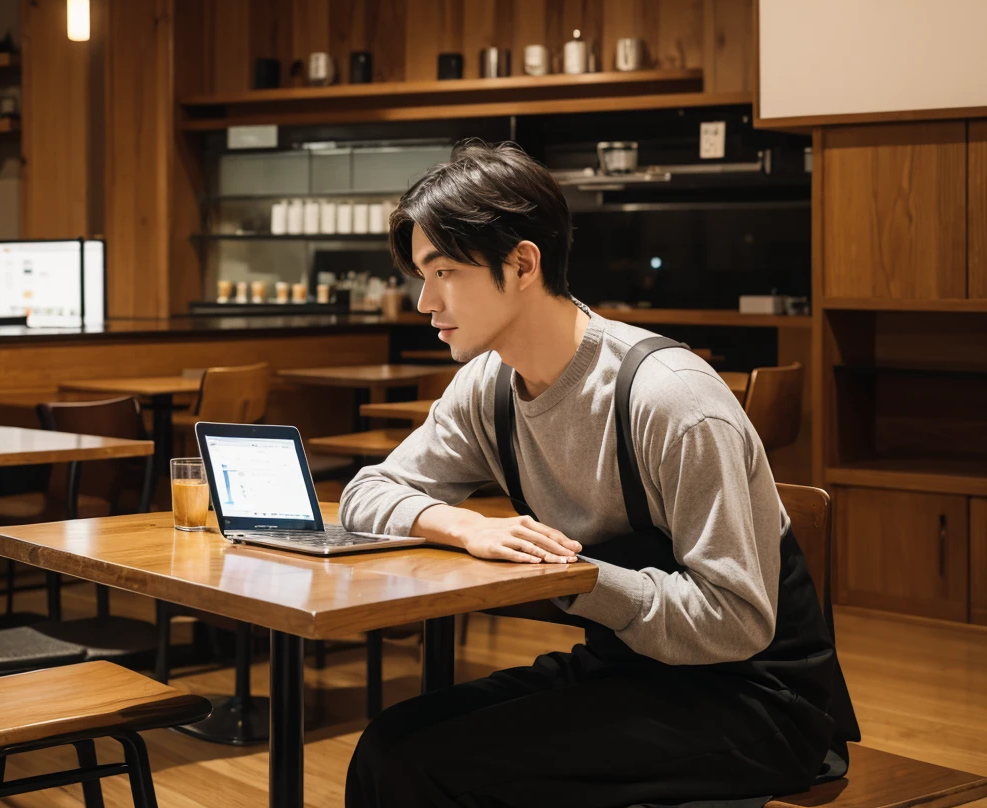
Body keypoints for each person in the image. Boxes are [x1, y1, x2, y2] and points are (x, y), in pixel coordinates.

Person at [339, 139, 858, 808]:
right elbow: (367, 493)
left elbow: (736, 621)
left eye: (442, 273)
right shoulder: (487, 389)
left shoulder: (669, 399)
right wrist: (464, 526)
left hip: (755, 702)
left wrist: (579, 581)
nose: (422, 302)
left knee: (435, 767)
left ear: (522, 263)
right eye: (421, 275)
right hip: (630, 672)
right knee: (386, 746)